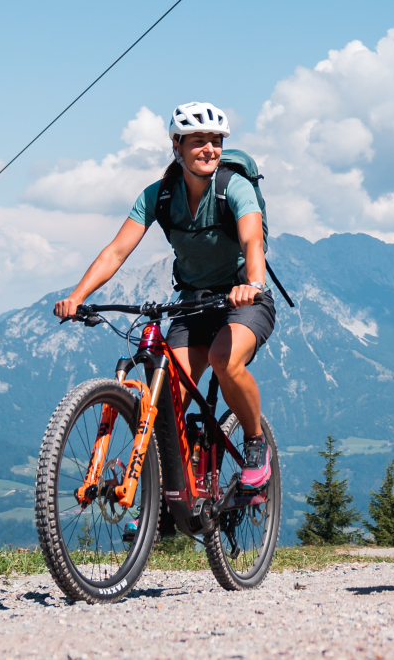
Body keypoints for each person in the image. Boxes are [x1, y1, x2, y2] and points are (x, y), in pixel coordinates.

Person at [54, 101, 275, 489]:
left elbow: (252, 239)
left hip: (242, 301)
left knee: (225, 360)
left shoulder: (233, 188)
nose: (209, 149)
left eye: (215, 141)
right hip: (192, 303)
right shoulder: (158, 196)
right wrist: (77, 296)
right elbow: (116, 251)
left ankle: (255, 443)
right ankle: (168, 493)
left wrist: (252, 285)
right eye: (198, 142)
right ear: (177, 146)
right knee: (167, 396)